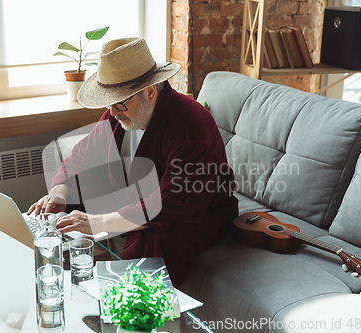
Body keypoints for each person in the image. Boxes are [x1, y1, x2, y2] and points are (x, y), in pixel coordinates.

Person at [29, 37, 239, 286]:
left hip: (195, 212)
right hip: (140, 195)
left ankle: (126, 303)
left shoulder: (190, 127)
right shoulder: (116, 113)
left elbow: (169, 204)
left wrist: (98, 222)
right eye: (110, 102)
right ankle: (57, 275)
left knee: (158, 238)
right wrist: (59, 193)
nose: (113, 111)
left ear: (150, 92)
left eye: (119, 102)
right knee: (67, 199)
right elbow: (83, 156)